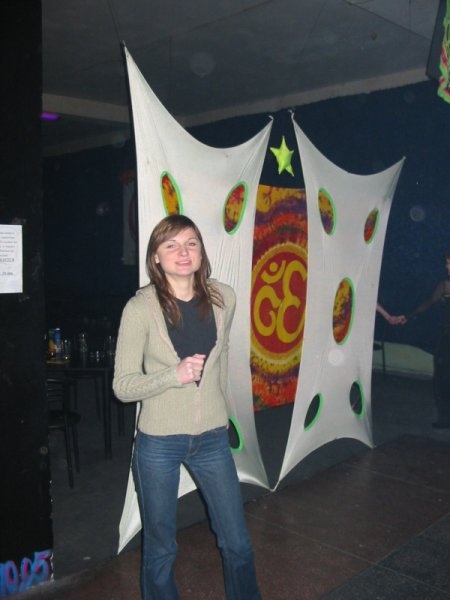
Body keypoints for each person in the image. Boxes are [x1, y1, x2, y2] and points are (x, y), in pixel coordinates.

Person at [113, 214, 261, 600]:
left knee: (237, 541)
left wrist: (222, 409)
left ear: (201, 252)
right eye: (171, 245)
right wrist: (172, 376)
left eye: (191, 243)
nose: (183, 252)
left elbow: (222, 356)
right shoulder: (139, 310)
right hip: (159, 441)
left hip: (211, 437)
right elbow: (123, 387)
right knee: (161, 548)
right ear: (155, 257)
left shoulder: (223, 297)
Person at [405, 250, 450, 428]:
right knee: (442, 379)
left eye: (449, 263)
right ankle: (445, 418)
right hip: (446, 339)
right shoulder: (445, 285)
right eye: (446, 263)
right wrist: (409, 316)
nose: (447, 266)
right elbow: (429, 302)